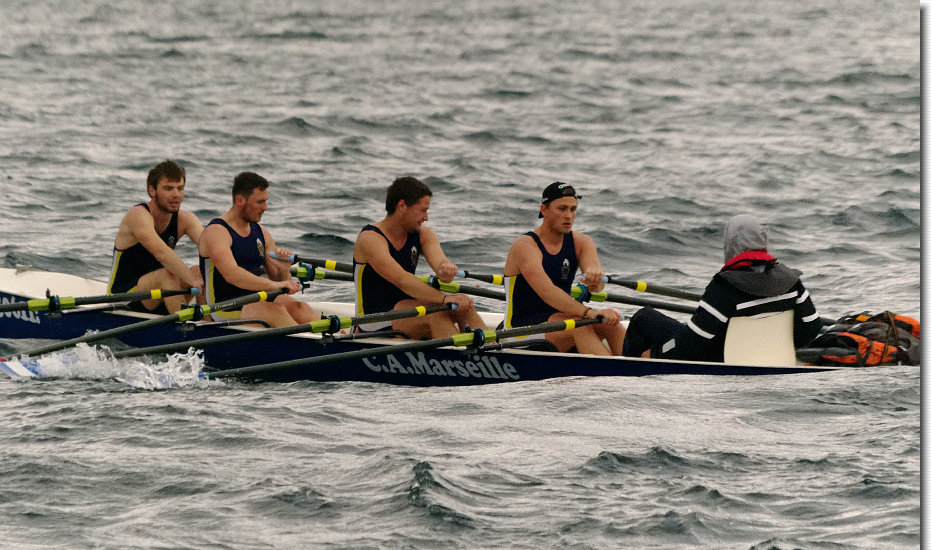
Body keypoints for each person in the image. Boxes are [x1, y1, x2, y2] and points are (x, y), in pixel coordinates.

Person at [621, 214, 823, 361]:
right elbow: (812, 328)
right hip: (769, 359)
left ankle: (630, 374)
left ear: (731, 243)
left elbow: (693, 343)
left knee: (643, 318)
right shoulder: (792, 280)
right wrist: (775, 346)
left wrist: (657, 353)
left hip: (718, 359)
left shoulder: (725, 285)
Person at [352, 176, 486, 339]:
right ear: (402, 206)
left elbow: (440, 263)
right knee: (435, 315)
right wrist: (444, 298)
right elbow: (402, 279)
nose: (426, 217)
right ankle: (460, 353)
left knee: (464, 305)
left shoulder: (423, 235)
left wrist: (446, 270)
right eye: (423, 210)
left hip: (408, 308)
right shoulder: (370, 239)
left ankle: (491, 348)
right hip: (374, 318)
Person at [502, 182, 625, 355]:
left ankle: (638, 368)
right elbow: (547, 292)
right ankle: (613, 370)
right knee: (579, 326)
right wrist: (589, 312)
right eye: (562, 209)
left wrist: (595, 281)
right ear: (544, 210)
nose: (569, 216)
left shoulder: (582, 242)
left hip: (560, 320)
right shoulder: (525, 245)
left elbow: (596, 285)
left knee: (612, 325)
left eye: (573, 209)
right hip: (521, 329)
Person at [198, 172, 316, 327]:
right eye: (260, 202)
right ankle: (309, 340)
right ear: (240, 200)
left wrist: (283, 269)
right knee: (275, 310)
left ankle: (331, 336)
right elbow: (232, 275)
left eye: (266, 201)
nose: (265, 207)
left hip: (256, 300)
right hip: (224, 308)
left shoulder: (262, 233)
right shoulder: (217, 231)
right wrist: (275, 286)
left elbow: (280, 283)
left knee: (300, 307)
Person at [107, 160, 205, 313]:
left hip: (160, 293)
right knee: (168, 275)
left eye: (180, 188)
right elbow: (161, 253)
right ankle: (182, 324)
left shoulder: (186, 219)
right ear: (152, 190)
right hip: (124, 296)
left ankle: (206, 322)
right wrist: (191, 280)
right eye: (168, 188)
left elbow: (211, 248)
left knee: (201, 271)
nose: (176, 194)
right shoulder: (138, 215)